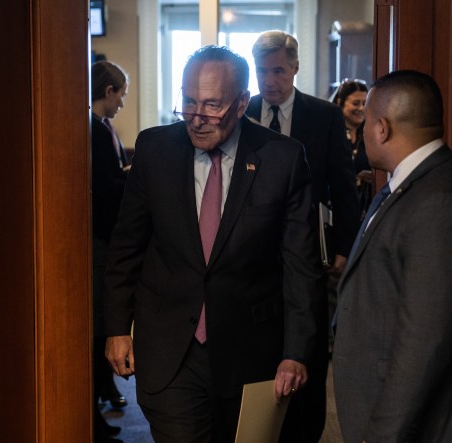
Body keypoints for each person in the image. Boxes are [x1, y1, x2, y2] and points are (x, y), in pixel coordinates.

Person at [103, 45, 324, 443]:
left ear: (241, 104)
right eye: (188, 102)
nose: (197, 118)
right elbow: (127, 245)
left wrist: (297, 351)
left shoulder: (282, 159)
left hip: (250, 350)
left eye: (211, 105)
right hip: (170, 348)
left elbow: (300, 265)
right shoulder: (155, 149)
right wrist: (117, 327)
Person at [332, 70, 452, 442]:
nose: (361, 132)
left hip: (420, 426)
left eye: (366, 122)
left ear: (382, 128)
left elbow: (424, 342)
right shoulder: (412, 183)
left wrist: (381, 434)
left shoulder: (440, 203)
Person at [246, 30, 361, 442]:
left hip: (309, 249)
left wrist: (346, 248)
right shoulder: (244, 111)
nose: (269, 80)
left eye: (278, 70)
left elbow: (344, 189)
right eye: (262, 71)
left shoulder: (323, 116)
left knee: (306, 342)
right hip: (251, 251)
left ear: (295, 67)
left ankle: (305, 430)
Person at [91, 59, 130, 443]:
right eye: (120, 95)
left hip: (102, 238)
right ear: (108, 91)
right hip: (99, 240)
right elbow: (103, 189)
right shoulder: (95, 131)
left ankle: (103, 397)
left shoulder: (102, 129)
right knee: (98, 325)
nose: (121, 104)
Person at [330, 79, 374, 212]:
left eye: (365, 103)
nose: (361, 108)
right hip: (337, 207)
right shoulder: (330, 134)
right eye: (356, 103)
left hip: (367, 206)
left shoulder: (373, 135)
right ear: (340, 102)